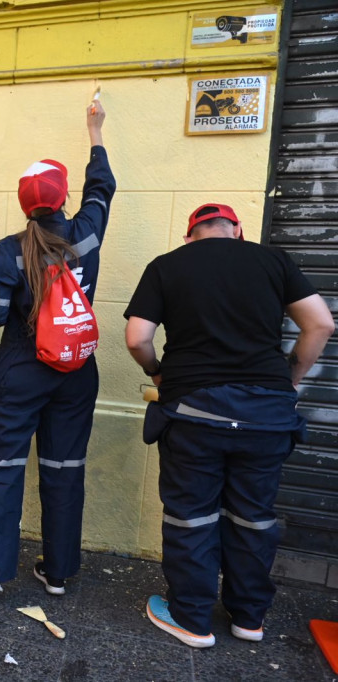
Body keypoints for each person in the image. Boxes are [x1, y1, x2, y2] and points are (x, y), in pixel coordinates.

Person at [124, 203, 333, 648]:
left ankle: (192, 618)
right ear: (237, 231)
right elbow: (320, 323)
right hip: (267, 417)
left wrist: (158, 373)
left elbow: (138, 338)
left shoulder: (167, 266)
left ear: (189, 237)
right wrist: (289, 380)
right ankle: (248, 618)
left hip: (195, 413)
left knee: (191, 518)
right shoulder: (273, 259)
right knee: (254, 518)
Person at [0, 100, 112, 601]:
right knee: (64, 469)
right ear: (64, 197)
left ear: (25, 205)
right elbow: (103, 189)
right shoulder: (88, 233)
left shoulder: (10, 249)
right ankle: (57, 572)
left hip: (21, 367)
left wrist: (25, 318)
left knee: (2, 469)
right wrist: (95, 132)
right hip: (76, 371)